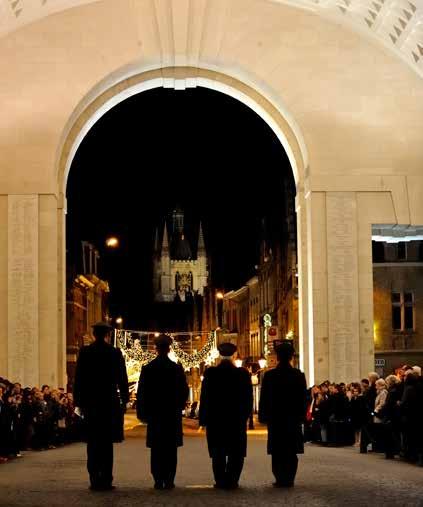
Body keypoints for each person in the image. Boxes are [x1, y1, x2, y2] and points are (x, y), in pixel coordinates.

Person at [73, 321, 129, 491]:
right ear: (107, 334)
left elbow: (79, 379)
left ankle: (94, 478)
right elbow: (122, 378)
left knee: (93, 443)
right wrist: (124, 399)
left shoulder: (85, 352)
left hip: (91, 403)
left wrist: (79, 402)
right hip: (108, 402)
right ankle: (106, 478)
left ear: (94, 334)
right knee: (106, 444)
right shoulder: (114, 353)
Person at [136, 334, 189, 490]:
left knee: (156, 449)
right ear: (169, 349)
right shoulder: (176, 368)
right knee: (171, 449)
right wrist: (178, 406)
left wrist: (143, 412)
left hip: (155, 415)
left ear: (156, 349)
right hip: (171, 415)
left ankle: (158, 479)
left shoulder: (148, 369)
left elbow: (142, 393)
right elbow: (183, 391)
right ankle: (169, 478)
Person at [199, 342, 253, 489]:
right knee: (236, 452)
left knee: (218, 452)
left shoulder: (210, 373)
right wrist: (246, 416)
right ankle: (233, 480)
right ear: (234, 355)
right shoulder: (242, 374)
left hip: (216, 420)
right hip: (236, 420)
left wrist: (203, 419)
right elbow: (248, 398)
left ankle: (220, 480)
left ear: (219, 355)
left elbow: (204, 398)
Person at [259, 340, 307, 488]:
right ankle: (289, 477)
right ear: (292, 357)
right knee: (291, 450)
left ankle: (280, 477)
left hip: (276, 419)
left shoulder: (270, 376)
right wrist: (301, 416)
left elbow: (264, 398)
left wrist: (263, 416)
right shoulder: (298, 375)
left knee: (278, 450)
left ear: (278, 357)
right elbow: (303, 398)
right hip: (293, 419)